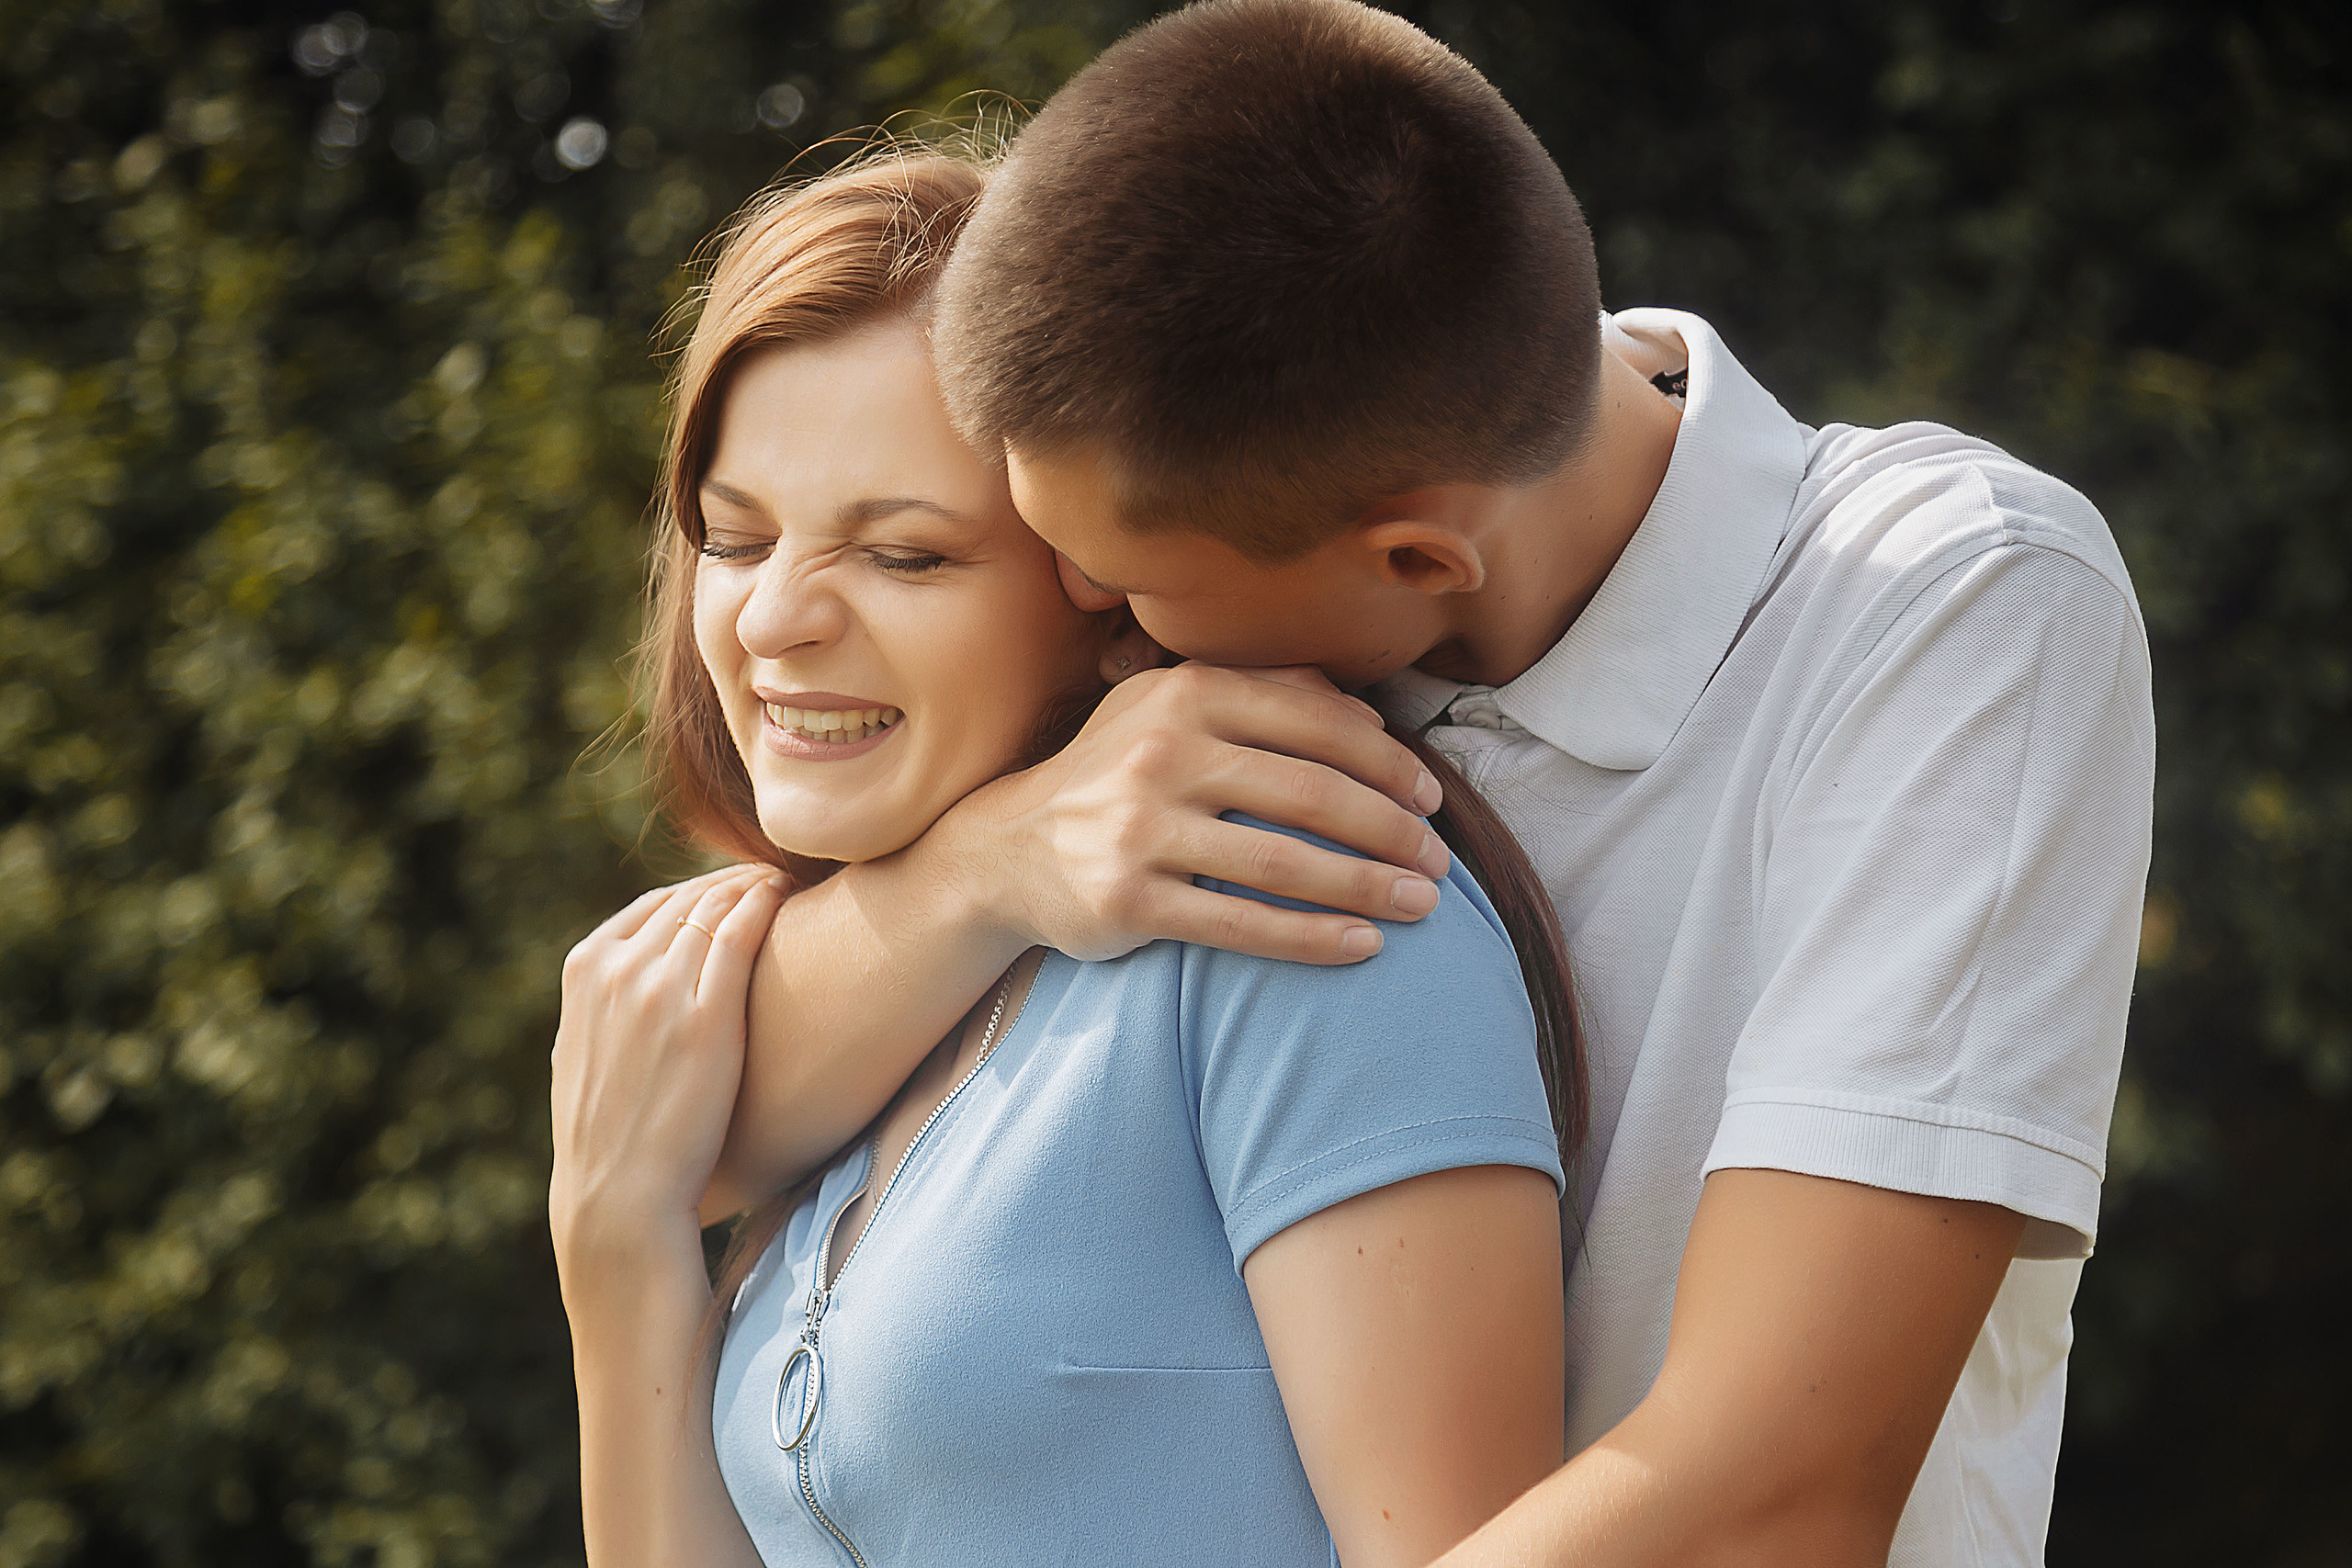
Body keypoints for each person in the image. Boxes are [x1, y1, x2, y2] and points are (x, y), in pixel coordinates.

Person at [685, 3, 2159, 1565]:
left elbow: (1777, 1483)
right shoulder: (1279, 469)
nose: (1084, 613)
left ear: (1413, 559)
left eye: (1126, 580)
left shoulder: (1951, 611)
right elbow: (703, 1117)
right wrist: (987, 865)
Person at [549, 152, 1585, 1568]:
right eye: (735, 539)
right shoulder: (843, 1012)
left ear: (1109, 585)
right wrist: (617, 1259)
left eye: (904, 557)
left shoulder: (1305, 909)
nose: (773, 620)